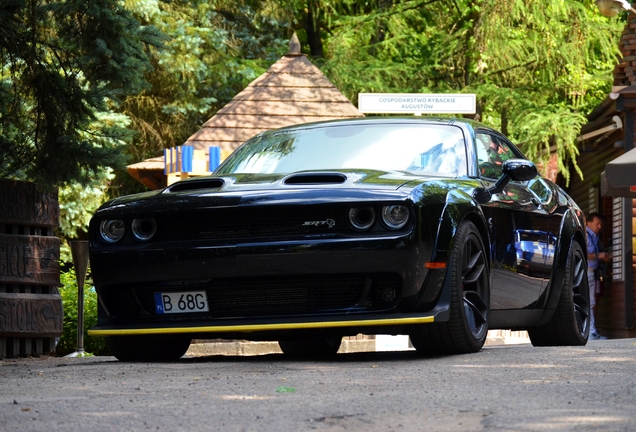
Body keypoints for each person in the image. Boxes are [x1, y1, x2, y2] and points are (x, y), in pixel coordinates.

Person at [586, 212, 610, 340]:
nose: (599, 226)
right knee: (589, 301)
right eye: (597, 223)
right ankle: (590, 332)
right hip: (586, 270)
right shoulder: (585, 234)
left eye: (601, 224)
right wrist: (598, 256)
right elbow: (583, 253)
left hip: (592, 271)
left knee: (591, 301)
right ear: (588, 222)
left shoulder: (594, 236)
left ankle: (591, 331)